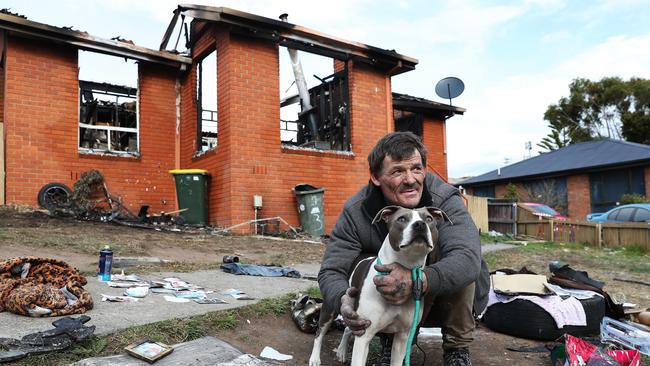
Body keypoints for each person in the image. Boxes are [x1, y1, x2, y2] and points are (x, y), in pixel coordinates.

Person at [318, 131, 489, 366]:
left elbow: (468, 257)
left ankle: (456, 347)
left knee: (460, 263)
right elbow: (331, 270)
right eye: (398, 171)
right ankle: (390, 338)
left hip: (442, 300)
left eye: (416, 169)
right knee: (366, 259)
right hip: (381, 301)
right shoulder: (357, 211)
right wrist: (342, 300)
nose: (410, 179)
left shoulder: (445, 199)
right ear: (376, 177)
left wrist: (417, 280)